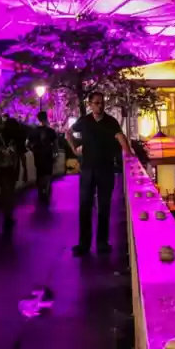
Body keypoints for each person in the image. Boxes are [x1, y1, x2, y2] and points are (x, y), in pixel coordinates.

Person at [68, 90, 132, 256]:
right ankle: (84, 244)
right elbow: (68, 132)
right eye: (96, 102)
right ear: (90, 104)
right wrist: (74, 148)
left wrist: (129, 154)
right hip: (88, 169)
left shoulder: (111, 122)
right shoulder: (84, 121)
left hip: (106, 170)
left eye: (102, 102)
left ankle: (102, 243)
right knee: (85, 206)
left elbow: (120, 136)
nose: (100, 105)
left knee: (104, 206)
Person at [0, 114, 28, 230]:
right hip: (13, 168)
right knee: (10, 190)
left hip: (1, 168)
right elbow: (22, 156)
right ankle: (8, 213)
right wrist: (25, 170)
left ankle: (6, 212)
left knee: (5, 191)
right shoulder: (17, 139)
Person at [29, 110, 59, 204]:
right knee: (47, 174)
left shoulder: (34, 131)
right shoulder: (51, 131)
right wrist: (55, 154)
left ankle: (41, 191)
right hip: (48, 155)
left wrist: (34, 149)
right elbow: (55, 144)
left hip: (38, 155)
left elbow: (28, 144)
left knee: (40, 173)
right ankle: (46, 190)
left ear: (38, 119)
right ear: (46, 118)